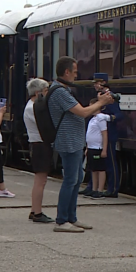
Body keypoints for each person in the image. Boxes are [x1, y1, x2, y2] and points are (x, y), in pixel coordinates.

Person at [48, 56, 113, 233]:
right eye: (75, 72)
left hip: (74, 140)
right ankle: (62, 221)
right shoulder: (60, 92)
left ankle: (71, 217)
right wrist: (101, 103)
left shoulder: (63, 90)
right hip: (68, 141)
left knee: (76, 179)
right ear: (67, 72)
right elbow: (83, 112)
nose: (76, 76)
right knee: (70, 180)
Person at [23, 78, 54, 223]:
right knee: (40, 181)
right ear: (38, 93)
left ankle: (34, 209)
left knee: (40, 180)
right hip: (39, 144)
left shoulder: (32, 106)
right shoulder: (33, 108)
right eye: (45, 91)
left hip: (38, 144)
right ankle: (37, 212)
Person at [94, 73, 124, 198]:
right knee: (97, 163)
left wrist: (108, 118)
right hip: (99, 135)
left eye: (97, 83)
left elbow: (119, 115)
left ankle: (113, 189)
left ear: (103, 83)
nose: (95, 85)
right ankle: (93, 187)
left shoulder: (110, 97)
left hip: (109, 134)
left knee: (110, 163)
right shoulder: (100, 96)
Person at [85, 97, 112, 200]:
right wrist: (87, 147)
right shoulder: (92, 119)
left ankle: (100, 190)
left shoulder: (100, 118)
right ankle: (94, 188)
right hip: (91, 147)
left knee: (100, 169)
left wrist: (104, 149)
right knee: (93, 169)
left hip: (98, 148)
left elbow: (104, 134)